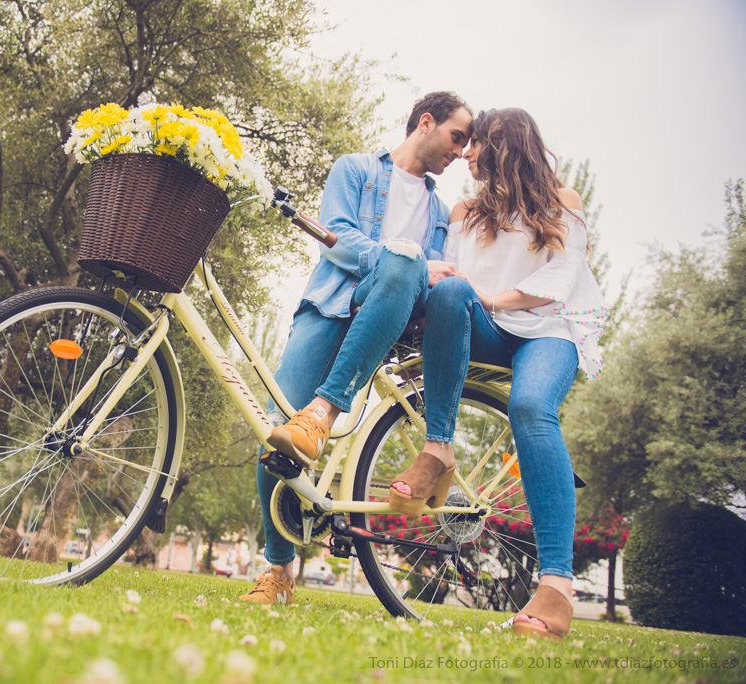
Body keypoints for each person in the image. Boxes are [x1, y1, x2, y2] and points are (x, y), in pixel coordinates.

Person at [239, 92, 474, 605]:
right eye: (457, 137)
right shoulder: (357, 169)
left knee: (409, 264)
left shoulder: (439, 211)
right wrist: (398, 258)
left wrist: (413, 269)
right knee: (273, 434)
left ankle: (324, 410)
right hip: (329, 306)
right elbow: (336, 236)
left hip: (381, 322)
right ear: (426, 123)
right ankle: (279, 570)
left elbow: (431, 277)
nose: (460, 151)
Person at [389, 108, 606, 640]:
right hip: (488, 326)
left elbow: (562, 275)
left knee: (531, 409)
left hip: (547, 331)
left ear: (502, 144)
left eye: (475, 143)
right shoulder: (466, 210)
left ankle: (556, 588)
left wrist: (496, 298)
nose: (465, 154)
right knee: (449, 289)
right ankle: (438, 447)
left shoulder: (563, 204)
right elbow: (451, 280)